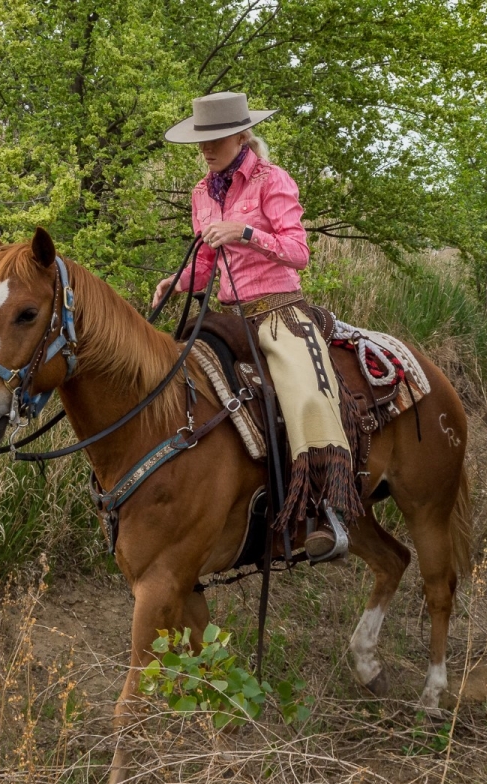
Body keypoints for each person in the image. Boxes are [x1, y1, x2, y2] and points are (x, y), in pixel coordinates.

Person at [155, 91, 362, 561]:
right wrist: (176, 283)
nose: (206, 149)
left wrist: (245, 232)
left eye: (216, 138)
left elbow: (298, 252)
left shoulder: (273, 180)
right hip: (229, 318)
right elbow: (205, 266)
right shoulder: (201, 193)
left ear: (242, 136)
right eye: (202, 140)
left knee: (307, 395)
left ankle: (325, 510)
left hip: (278, 310)